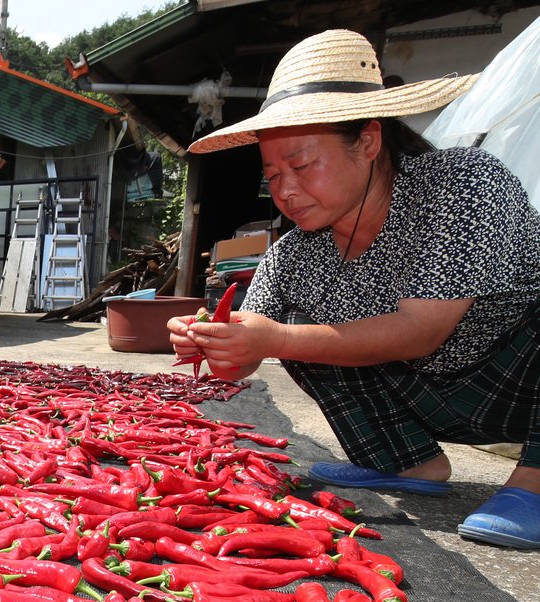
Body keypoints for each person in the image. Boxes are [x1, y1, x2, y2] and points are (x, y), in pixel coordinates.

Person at [168, 29, 540, 550]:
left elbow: (421, 331)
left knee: (290, 335)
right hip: (428, 396)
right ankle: (409, 461)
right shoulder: (295, 254)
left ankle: (534, 482)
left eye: (301, 165)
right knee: (300, 329)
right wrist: (212, 341)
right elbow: (240, 361)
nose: (287, 190)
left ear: (367, 141)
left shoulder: (462, 184)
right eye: (272, 176)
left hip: (518, 378)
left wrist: (274, 338)